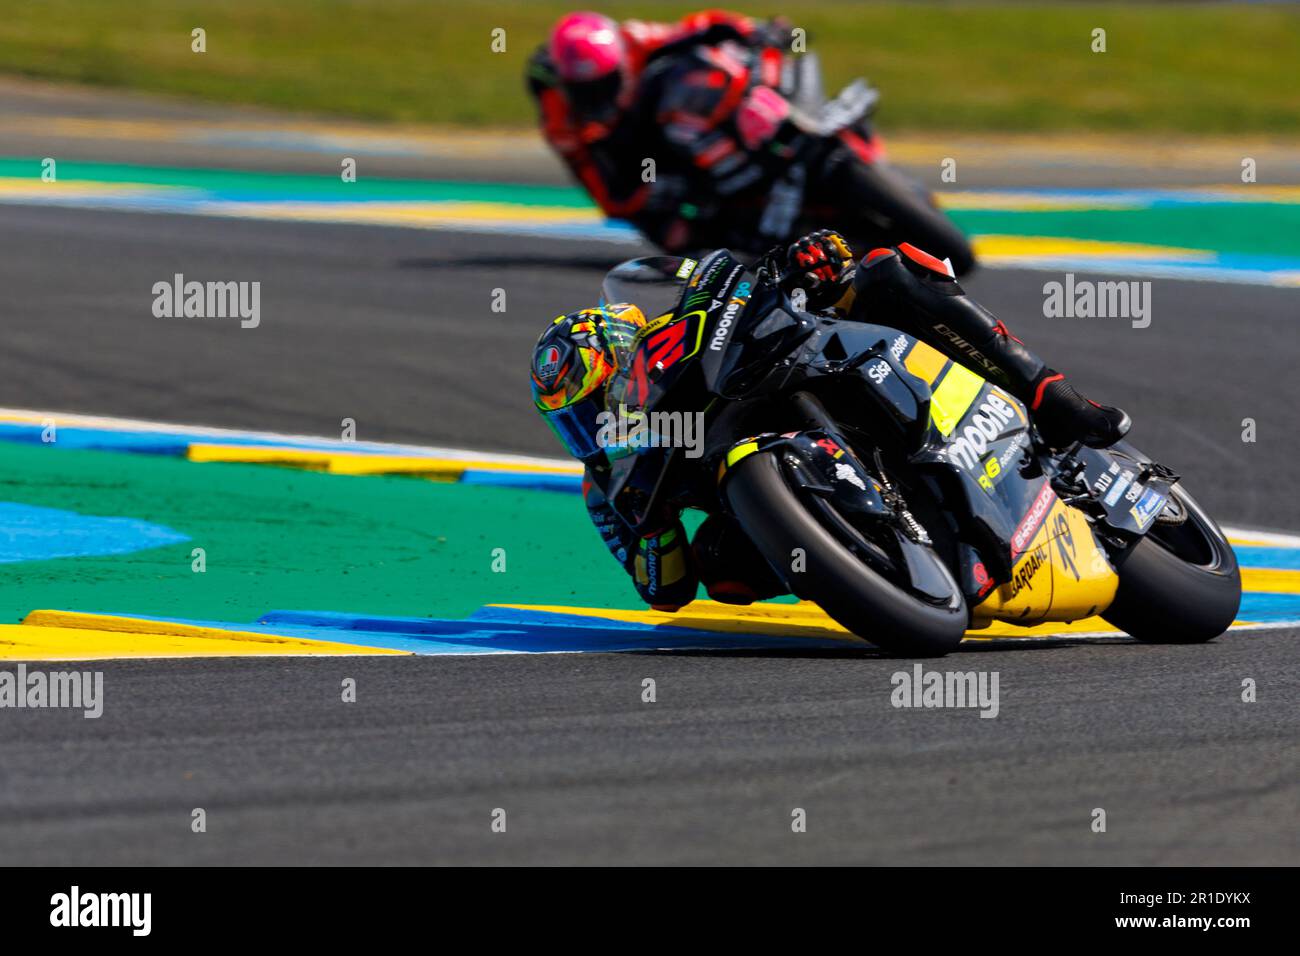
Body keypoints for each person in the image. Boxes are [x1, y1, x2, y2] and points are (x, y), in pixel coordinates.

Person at [530, 231, 1130, 611]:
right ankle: (870, 561)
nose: (594, 426)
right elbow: (665, 593)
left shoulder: (673, 334)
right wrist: (654, 527)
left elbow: (745, 287)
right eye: (575, 420)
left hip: (805, 364)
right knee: (725, 570)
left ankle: (1052, 395)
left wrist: (803, 261)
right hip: (751, 471)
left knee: (884, 269)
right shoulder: (610, 485)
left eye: (595, 402)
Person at [526, 9, 803, 252]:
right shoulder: (560, 118)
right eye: (585, 91)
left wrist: (753, 30)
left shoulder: (635, 39)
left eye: (605, 83)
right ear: (564, 83)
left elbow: (699, 26)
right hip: (634, 159)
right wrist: (657, 193)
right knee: (673, 235)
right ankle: (745, 242)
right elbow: (607, 196)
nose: (598, 96)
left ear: (620, 61)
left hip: (658, 124)